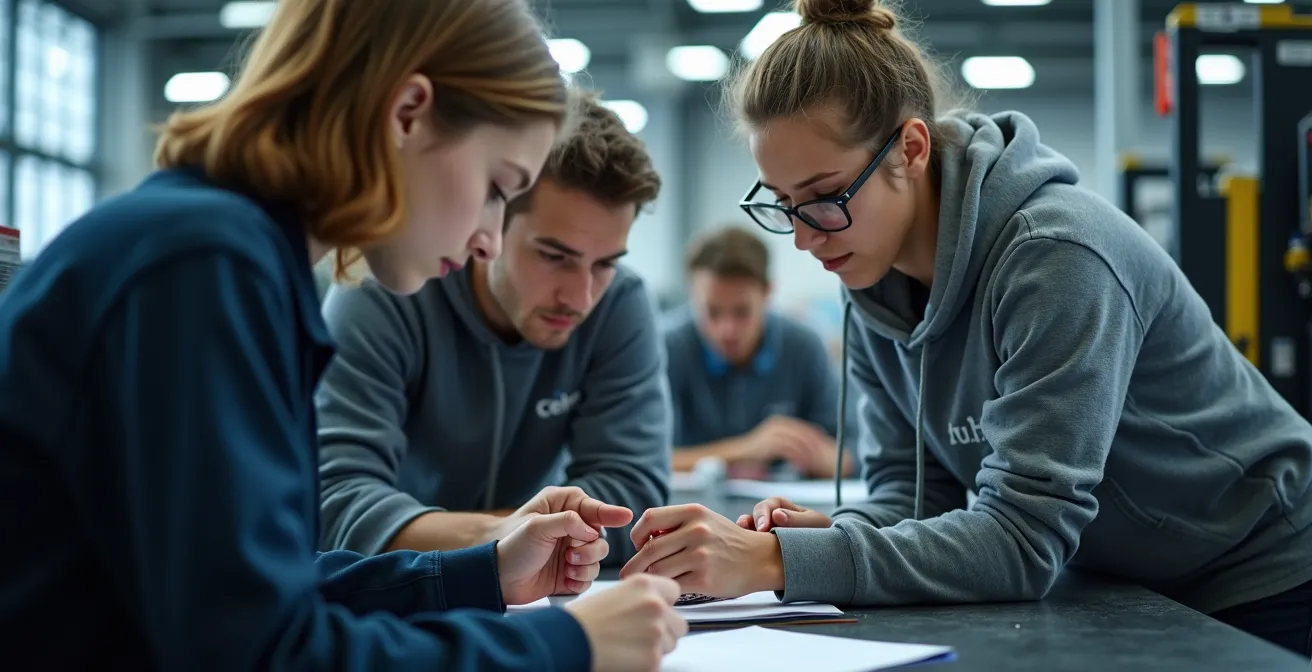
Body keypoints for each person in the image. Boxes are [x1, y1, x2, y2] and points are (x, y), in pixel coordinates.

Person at [0, 1, 688, 670]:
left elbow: (264, 587)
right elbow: (263, 651)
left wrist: (478, 574)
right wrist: (567, 646)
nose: (488, 238)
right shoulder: (205, 266)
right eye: (496, 187)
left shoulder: (227, 250)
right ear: (407, 115)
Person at [617, 0, 1312, 659]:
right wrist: (823, 534)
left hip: (1265, 571)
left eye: (825, 198)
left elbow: (1020, 541)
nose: (804, 239)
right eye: (785, 205)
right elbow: (915, 497)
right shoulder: (867, 280)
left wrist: (773, 561)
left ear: (911, 150)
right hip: (1131, 580)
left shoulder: (1057, 257)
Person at [316, 93, 669, 564]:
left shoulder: (621, 302)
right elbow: (334, 501)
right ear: (492, 217)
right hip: (397, 591)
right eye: (554, 256)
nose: (580, 297)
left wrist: (510, 540)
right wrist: (502, 537)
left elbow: (632, 501)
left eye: (604, 264)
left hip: (534, 591)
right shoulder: (382, 287)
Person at [663, 225, 853, 479]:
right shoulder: (666, 348)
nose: (726, 330)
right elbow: (648, 460)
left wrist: (821, 457)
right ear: (691, 295)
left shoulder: (805, 345)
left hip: (784, 511)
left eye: (742, 312)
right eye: (712, 311)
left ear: (767, 293)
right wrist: (748, 449)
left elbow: (853, 454)